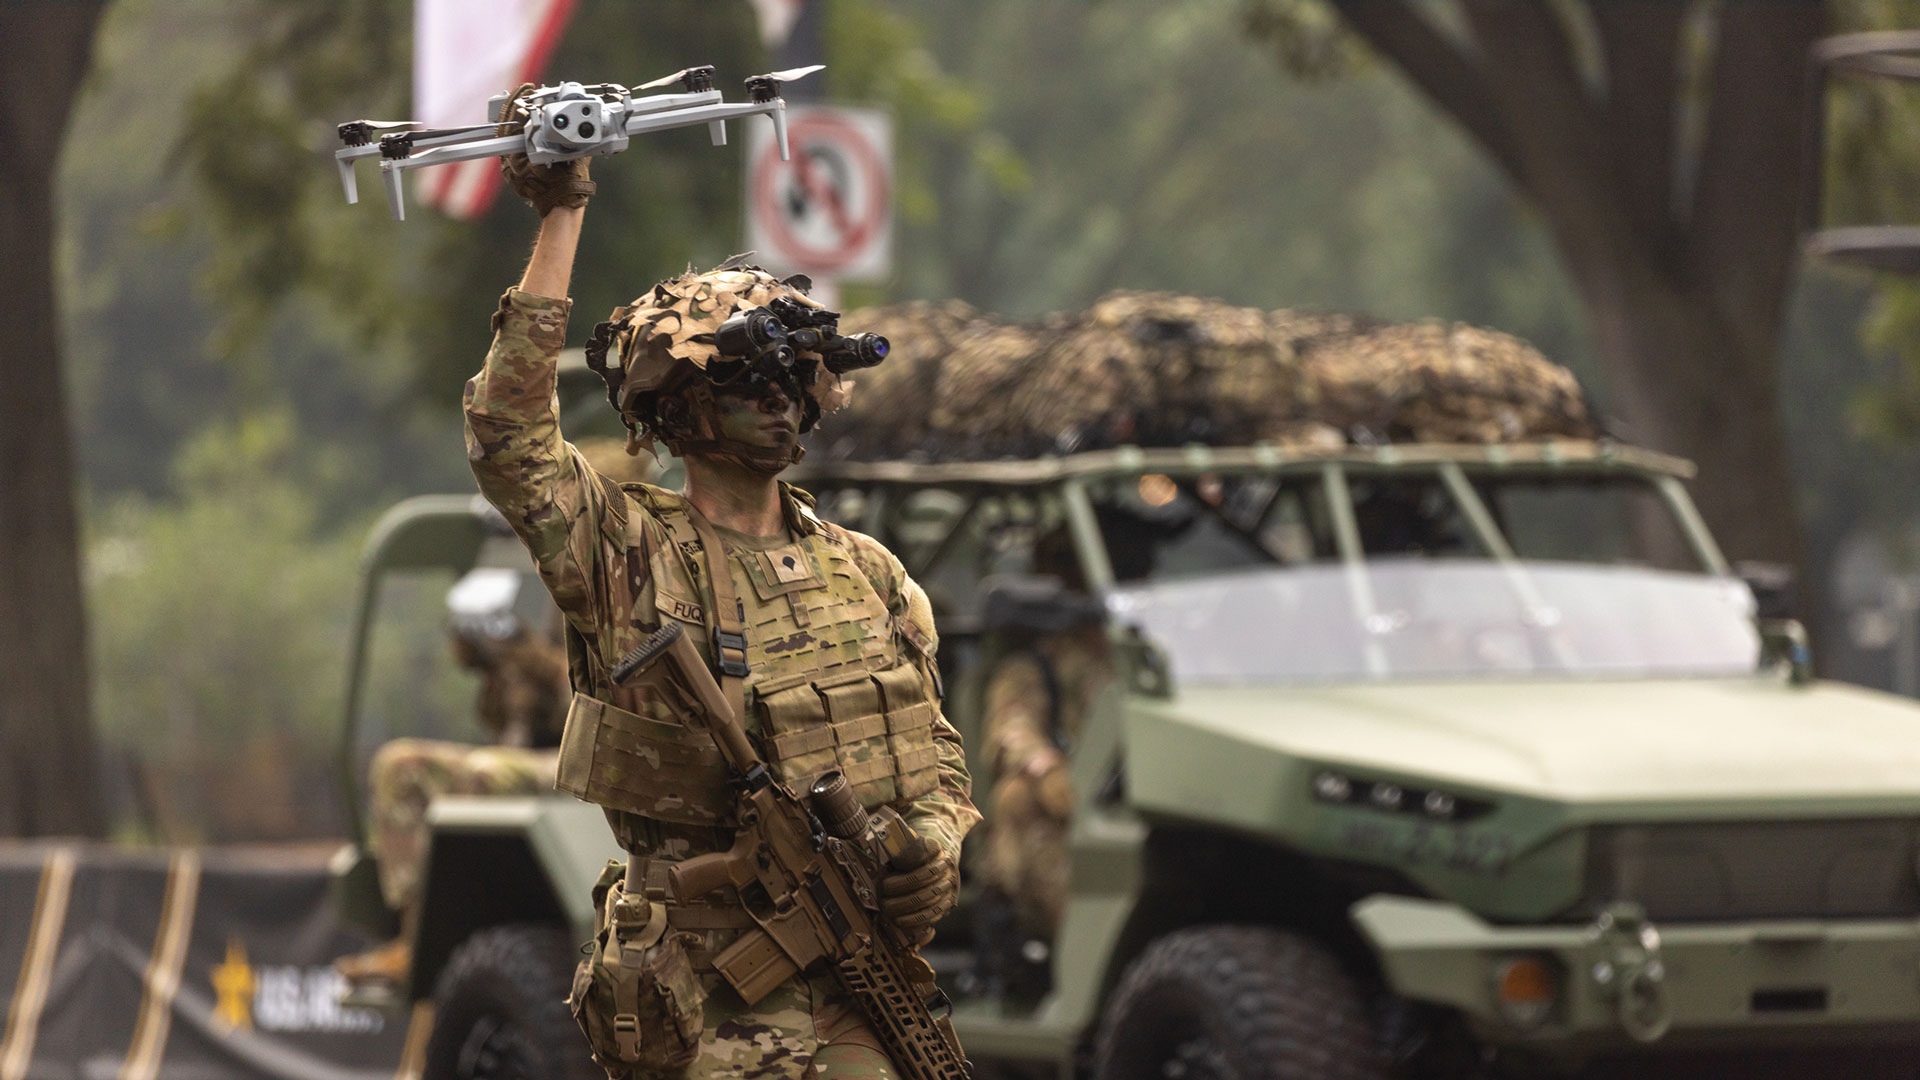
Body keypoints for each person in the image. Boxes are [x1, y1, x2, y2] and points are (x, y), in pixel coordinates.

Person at [463, 112, 979, 1080]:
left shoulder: (869, 573)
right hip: (705, 996)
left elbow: (934, 755)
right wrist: (564, 212)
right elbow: (509, 435)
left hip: (858, 972)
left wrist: (937, 847)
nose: (780, 399)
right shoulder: (630, 556)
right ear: (684, 404)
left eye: (792, 378)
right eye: (749, 381)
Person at [337, 566, 572, 985]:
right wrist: (498, 668)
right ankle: (413, 931)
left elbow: (603, 702)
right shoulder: (563, 599)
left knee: (405, 768)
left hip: (590, 762)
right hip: (543, 759)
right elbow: (513, 728)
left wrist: (547, 668)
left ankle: (414, 943)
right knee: (405, 768)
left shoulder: (620, 596)